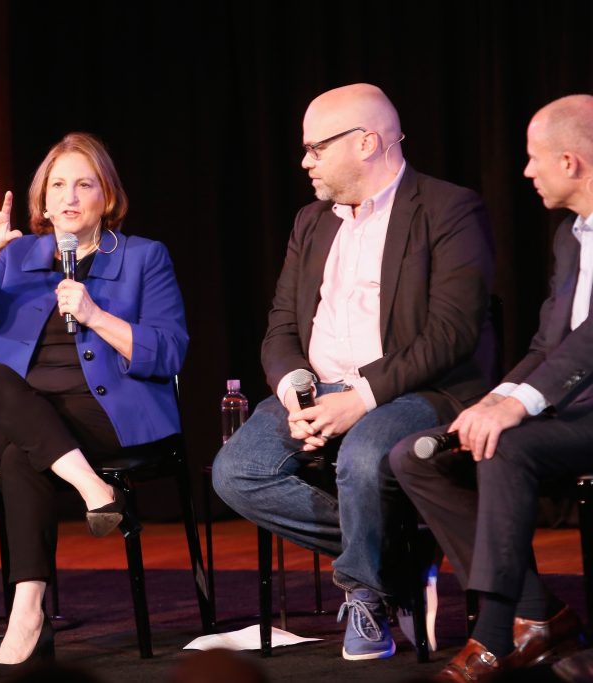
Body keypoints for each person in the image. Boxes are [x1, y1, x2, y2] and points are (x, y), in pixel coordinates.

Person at [211, 83, 496, 661]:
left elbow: (451, 332)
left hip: (417, 389)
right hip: (319, 388)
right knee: (236, 471)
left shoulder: (447, 208)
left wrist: (360, 398)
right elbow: (282, 324)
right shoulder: (312, 221)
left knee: (364, 455)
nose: (305, 161)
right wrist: (296, 392)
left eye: (316, 148)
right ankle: (398, 557)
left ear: (366, 143)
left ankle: (365, 592)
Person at [0, 132, 187, 678]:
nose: (70, 197)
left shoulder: (143, 257)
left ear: (107, 194)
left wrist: (97, 316)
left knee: (19, 458)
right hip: (24, 410)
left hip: (108, 416)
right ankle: (96, 491)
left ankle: (27, 619)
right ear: (43, 199)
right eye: (58, 186)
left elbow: (170, 350)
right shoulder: (16, 256)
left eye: (84, 184)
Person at [391, 94, 593, 682]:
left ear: (570, 162)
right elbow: (548, 343)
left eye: (534, 158)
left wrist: (517, 405)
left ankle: (495, 636)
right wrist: (496, 396)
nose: (526, 172)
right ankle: (539, 614)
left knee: (504, 445)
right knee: (416, 457)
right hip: (570, 409)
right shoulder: (570, 238)